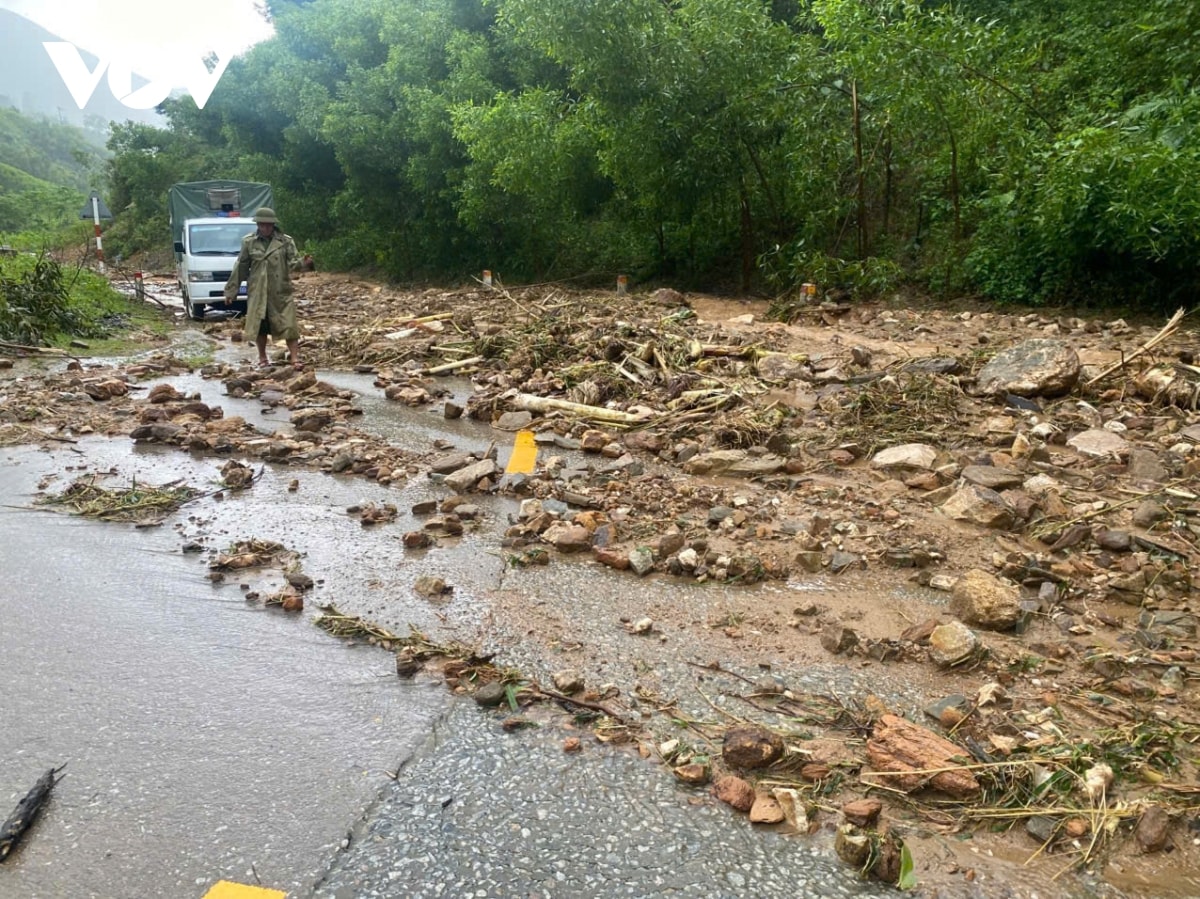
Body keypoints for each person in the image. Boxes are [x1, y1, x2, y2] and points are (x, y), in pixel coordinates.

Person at [224, 206, 306, 369]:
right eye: (262, 225)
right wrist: (231, 291)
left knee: (289, 325)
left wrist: (305, 263)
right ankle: (262, 357)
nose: (266, 228)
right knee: (260, 326)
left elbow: (294, 263)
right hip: (258, 291)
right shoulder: (249, 242)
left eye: (269, 225)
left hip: (280, 291)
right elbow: (241, 267)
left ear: (273, 225)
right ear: (258, 225)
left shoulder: (285, 241)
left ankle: (295, 358)